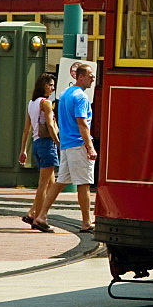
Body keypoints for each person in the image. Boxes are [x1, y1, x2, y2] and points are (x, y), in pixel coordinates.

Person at [35, 63, 97, 233]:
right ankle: (86, 222)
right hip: (78, 144)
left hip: (66, 145)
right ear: (80, 77)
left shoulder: (64, 94)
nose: (93, 77)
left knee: (60, 181)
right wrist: (90, 147)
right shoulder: (81, 98)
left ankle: (41, 215)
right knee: (84, 183)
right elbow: (82, 124)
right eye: (90, 75)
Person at [17, 73, 59, 233]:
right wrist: (58, 143)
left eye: (53, 85)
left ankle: (32, 213)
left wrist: (23, 150)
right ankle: (40, 219)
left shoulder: (31, 103)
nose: (52, 88)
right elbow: (49, 125)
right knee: (43, 185)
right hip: (47, 144)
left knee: (51, 184)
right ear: (43, 85)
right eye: (50, 85)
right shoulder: (46, 103)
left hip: (36, 144)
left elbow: (26, 129)